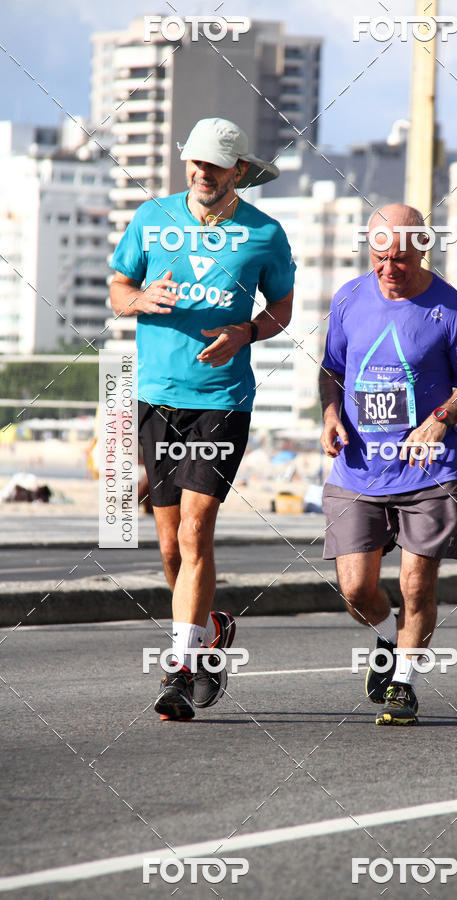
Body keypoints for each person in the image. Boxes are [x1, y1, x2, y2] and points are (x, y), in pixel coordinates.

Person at [109, 118, 295, 720]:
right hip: (158, 396)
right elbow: (118, 286)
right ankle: (209, 627)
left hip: (222, 399)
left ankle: (181, 667)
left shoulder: (264, 234)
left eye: (214, 165)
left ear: (239, 170)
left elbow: (283, 310)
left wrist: (248, 331)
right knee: (168, 544)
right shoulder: (152, 218)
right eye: (194, 163)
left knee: (195, 531)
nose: (201, 174)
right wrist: (138, 299)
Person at [319, 204, 457, 726]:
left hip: (428, 472)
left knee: (416, 583)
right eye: (381, 256)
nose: (389, 268)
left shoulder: (449, 307)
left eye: (403, 260)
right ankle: (388, 639)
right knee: (356, 589)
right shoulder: (349, 297)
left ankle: (404, 685)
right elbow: (333, 369)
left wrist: (439, 419)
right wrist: (329, 413)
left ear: (424, 252)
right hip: (359, 468)